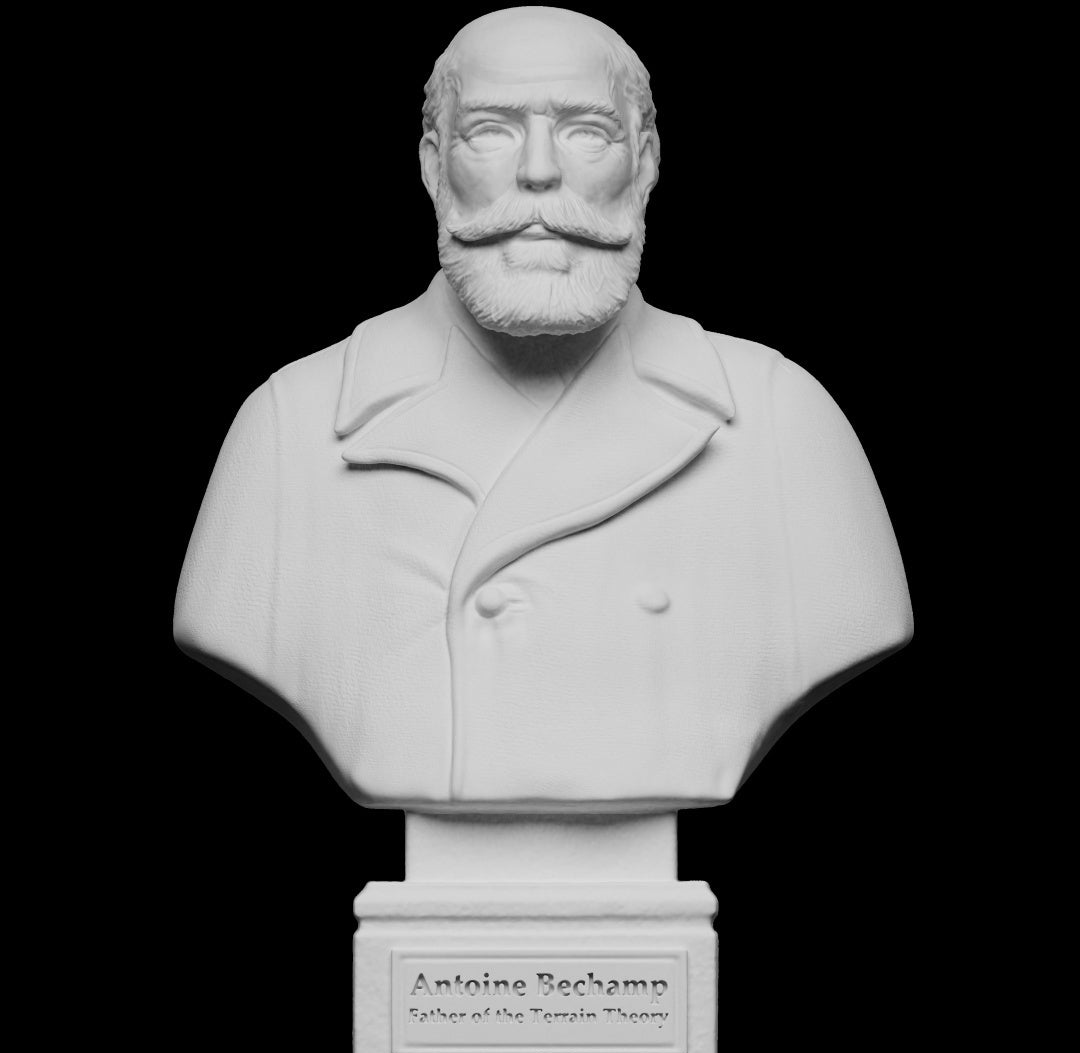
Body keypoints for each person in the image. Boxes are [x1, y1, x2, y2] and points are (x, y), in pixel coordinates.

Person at [174, 7, 912, 809]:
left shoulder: (781, 423)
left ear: (646, 161)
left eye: (585, 132)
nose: (537, 172)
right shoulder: (289, 432)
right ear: (432, 164)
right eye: (491, 131)